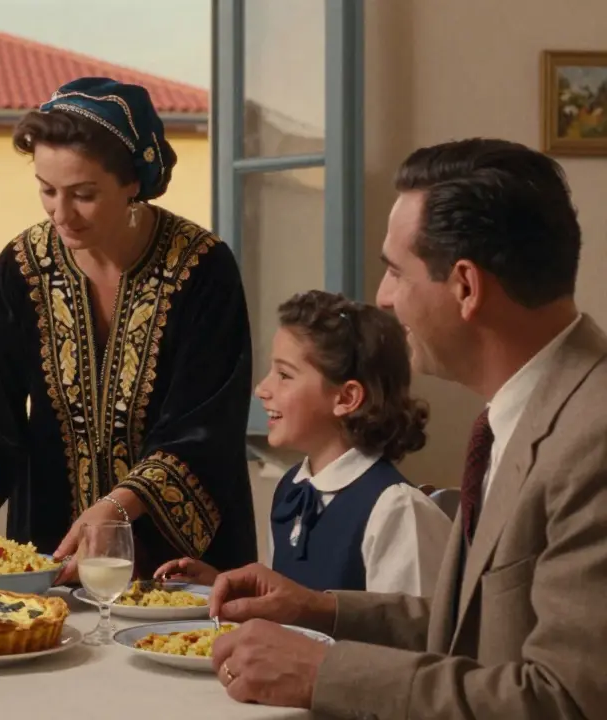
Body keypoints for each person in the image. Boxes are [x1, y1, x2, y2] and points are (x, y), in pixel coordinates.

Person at [206, 138, 607, 719]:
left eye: (395, 271)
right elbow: (469, 627)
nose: (383, 298)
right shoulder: (520, 413)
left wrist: (322, 672)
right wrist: (320, 609)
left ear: (465, 287)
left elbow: (564, 701)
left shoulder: (592, 441)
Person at [0, 76, 258, 581]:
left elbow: (205, 427)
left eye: (84, 194)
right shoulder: (25, 266)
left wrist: (119, 506)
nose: (61, 214)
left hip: (173, 559)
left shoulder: (201, 269)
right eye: (47, 191)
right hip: (52, 547)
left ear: (133, 182)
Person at [155, 290, 450, 596]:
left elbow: (411, 633)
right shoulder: (291, 490)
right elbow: (288, 607)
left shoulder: (396, 509)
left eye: (284, 374)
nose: (261, 389)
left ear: (346, 397)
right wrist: (228, 588)